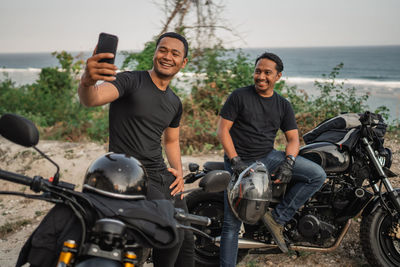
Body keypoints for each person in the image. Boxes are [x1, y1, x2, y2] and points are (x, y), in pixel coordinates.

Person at [78, 32, 193, 267]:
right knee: (171, 233)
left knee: (188, 238)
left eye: (175, 53)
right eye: (163, 50)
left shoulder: (174, 102)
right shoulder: (131, 81)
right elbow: (92, 98)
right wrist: (87, 81)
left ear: (183, 62)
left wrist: (178, 171)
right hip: (131, 175)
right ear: (155, 52)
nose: (167, 56)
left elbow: (171, 141)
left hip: (161, 174)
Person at [217, 52, 326, 266]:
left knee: (316, 175)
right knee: (231, 224)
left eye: (267, 72)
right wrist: (235, 161)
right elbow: (222, 131)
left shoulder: (283, 105)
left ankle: (277, 218)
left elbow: (293, 139)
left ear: (278, 76)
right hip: (239, 161)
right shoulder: (239, 96)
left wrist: (289, 162)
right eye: (258, 71)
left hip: (268, 157)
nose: (261, 76)